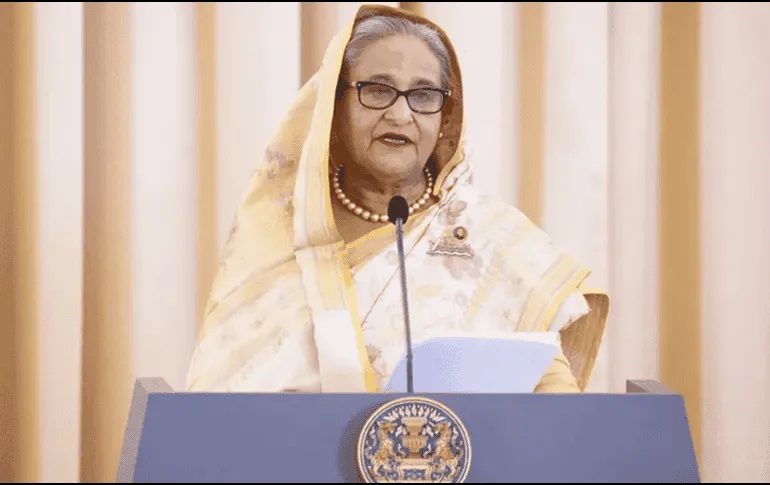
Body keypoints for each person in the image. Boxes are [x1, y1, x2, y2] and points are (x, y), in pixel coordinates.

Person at [185, 4, 609, 394]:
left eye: (423, 95)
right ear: (334, 107)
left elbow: (554, 398)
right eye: (377, 90)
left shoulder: (495, 240)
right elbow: (224, 403)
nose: (401, 114)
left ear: (445, 119)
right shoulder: (278, 240)